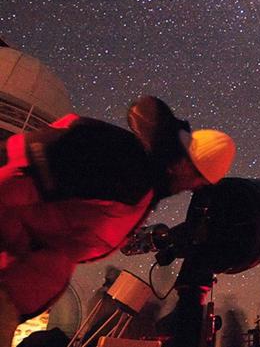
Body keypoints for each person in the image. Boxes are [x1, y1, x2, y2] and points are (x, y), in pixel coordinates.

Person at [0, 96, 235, 346]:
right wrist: (18, 248)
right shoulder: (126, 166)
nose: (193, 188)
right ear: (189, 166)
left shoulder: (144, 185)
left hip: (14, 285)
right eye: (199, 181)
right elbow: (16, 178)